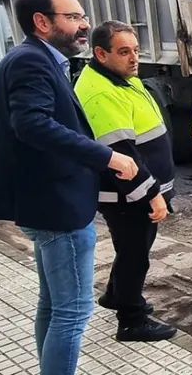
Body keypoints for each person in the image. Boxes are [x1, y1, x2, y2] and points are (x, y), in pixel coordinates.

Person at [0, 0, 138, 375]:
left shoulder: (36, 60)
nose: (84, 24)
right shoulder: (30, 62)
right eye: (73, 17)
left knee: (53, 306)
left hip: (46, 203)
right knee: (72, 312)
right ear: (43, 22)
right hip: (57, 207)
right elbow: (33, 124)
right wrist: (107, 155)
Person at [74, 20, 177, 342]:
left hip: (132, 194)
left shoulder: (117, 78)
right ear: (100, 53)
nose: (134, 58)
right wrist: (152, 195)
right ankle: (131, 320)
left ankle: (115, 294)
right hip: (128, 196)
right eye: (124, 52)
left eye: (135, 50)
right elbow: (121, 154)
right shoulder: (100, 93)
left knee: (131, 247)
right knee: (135, 254)